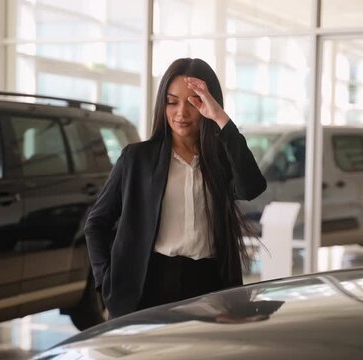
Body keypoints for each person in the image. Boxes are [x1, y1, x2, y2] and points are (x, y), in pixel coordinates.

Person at [85, 57, 267, 318]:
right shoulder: (137, 159)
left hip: (210, 285)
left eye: (193, 102)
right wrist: (106, 282)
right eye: (172, 102)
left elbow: (252, 187)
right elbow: (96, 224)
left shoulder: (219, 159)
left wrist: (221, 119)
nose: (181, 113)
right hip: (149, 285)